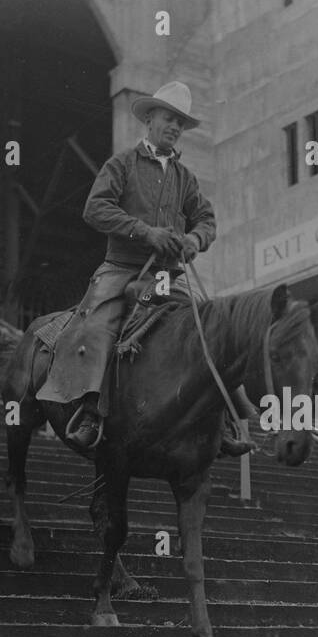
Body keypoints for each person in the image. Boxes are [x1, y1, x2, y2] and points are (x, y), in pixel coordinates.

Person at [37, 81, 252, 454]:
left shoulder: (186, 178)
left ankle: (229, 421)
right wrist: (144, 232)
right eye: (169, 119)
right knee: (98, 326)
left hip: (166, 278)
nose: (174, 128)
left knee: (207, 329)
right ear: (150, 118)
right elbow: (95, 208)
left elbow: (206, 220)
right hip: (120, 270)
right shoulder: (121, 164)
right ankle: (91, 412)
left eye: (180, 124)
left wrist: (194, 240)